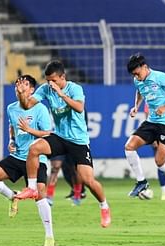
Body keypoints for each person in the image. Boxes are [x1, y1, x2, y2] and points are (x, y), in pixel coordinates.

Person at [14, 60, 111, 228]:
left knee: (88, 180)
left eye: (54, 80)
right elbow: (27, 105)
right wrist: (23, 95)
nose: (50, 83)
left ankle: (104, 206)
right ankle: (31, 188)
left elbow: (80, 108)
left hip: (78, 141)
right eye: (48, 80)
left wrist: (61, 94)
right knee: (34, 148)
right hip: (60, 137)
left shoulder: (74, 89)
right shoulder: (45, 89)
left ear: (62, 77)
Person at [0, 75, 55, 246]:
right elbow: (12, 126)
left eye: (24, 84)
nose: (19, 86)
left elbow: (48, 134)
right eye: (17, 84)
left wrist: (30, 130)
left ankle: (49, 237)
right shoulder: (11, 108)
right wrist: (11, 141)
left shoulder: (40, 109)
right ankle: (12, 196)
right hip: (18, 157)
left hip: (37, 158)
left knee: (40, 194)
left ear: (32, 90)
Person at [125, 53, 165, 202]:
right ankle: (141, 182)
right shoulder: (137, 80)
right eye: (134, 75)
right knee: (129, 146)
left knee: (159, 161)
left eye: (138, 74)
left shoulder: (160, 77)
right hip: (152, 121)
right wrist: (136, 106)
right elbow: (140, 91)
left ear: (144, 67)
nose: (137, 78)